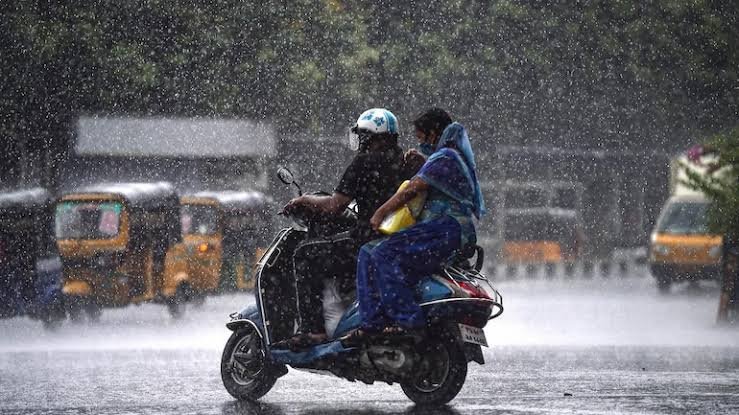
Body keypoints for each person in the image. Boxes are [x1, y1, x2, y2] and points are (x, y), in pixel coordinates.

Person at [279, 108, 422, 348]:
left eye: (363, 135)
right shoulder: (405, 160)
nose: (360, 141)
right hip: (396, 236)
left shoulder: (364, 161)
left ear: (371, 137)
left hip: (369, 238)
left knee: (304, 255)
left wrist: (303, 201)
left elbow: (335, 205)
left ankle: (314, 331)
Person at [347, 108, 485, 341]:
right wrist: (423, 160)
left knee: (383, 254)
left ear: (434, 133)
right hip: (441, 229)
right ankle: (373, 323)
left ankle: (408, 320)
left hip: (445, 229)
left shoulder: (446, 156)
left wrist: (380, 213)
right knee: (367, 252)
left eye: (422, 138)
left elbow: (412, 188)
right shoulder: (445, 157)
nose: (421, 143)